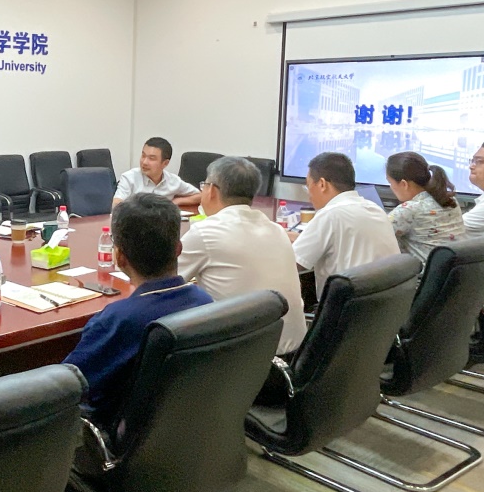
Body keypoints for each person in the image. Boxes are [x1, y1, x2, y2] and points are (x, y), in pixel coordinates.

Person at [53, 194, 213, 492]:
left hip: (118, 449)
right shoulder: (205, 303)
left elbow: (64, 386)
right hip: (187, 440)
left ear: (119, 257)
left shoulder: (118, 320)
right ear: (178, 248)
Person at [180, 157, 307, 355]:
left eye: (204, 185)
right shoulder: (276, 229)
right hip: (295, 352)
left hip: (244, 360)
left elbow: (165, 282)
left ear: (211, 190)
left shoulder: (206, 232)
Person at [290, 152, 400, 300]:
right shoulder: (375, 209)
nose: (309, 195)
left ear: (322, 184)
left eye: (308, 186)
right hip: (382, 307)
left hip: (345, 309)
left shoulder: (330, 214)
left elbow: (292, 264)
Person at [385, 151, 466, 264]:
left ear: (404, 184)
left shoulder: (408, 210)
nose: (391, 188)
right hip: (453, 271)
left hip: (421, 274)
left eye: (390, 182)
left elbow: (377, 237)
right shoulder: (450, 200)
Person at [112, 137, 201, 207]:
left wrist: (177, 201)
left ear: (165, 163)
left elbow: (200, 196)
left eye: (151, 158)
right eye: (143, 156)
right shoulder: (129, 178)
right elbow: (116, 203)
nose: (144, 162)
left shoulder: (173, 181)